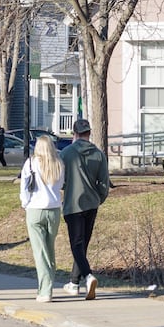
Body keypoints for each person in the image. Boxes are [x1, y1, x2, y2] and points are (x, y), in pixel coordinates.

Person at [59, 118, 109, 299]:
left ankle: (88, 276)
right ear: (89, 133)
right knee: (82, 245)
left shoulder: (66, 153)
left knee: (76, 245)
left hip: (73, 204)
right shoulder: (98, 154)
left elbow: (61, 181)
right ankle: (73, 282)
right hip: (92, 204)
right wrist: (99, 198)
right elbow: (104, 182)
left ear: (75, 133)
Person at [19, 136, 65, 302]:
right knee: (49, 249)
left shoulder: (31, 163)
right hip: (53, 210)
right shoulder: (58, 163)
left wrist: (25, 203)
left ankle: (45, 291)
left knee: (40, 252)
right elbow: (61, 185)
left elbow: (24, 186)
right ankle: (49, 283)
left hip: (35, 209)